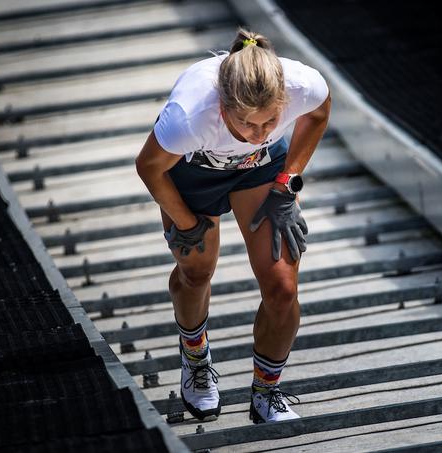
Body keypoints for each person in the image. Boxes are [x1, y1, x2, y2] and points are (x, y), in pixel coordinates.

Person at [135, 29, 331, 423]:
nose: (259, 132)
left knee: (283, 288)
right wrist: (187, 223)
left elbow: (320, 113)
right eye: (247, 124)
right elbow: (149, 166)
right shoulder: (190, 116)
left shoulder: (301, 85)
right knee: (197, 270)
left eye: (271, 121)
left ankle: (266, 391)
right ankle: (195, 357)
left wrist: (288, 181)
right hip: (192, 172)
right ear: (223, 108)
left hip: (261, 169)